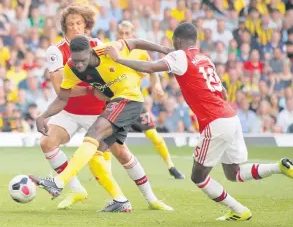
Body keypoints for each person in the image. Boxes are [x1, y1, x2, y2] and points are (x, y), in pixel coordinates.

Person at [105, 22, 293, 221]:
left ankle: (239, 210)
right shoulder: (205, 59)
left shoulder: (180, 55)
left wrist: (118, 59)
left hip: (215, 121)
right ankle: (279, 166)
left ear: (177, 40)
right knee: (234, 173)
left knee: (198, 177)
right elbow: (223, 92)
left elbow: (151, 67)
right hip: (230, 117)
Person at [30, 36, 174, 212]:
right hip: (116, 102)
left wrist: (165, 50)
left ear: (90, 52)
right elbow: (62, 98)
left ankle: (58, 182)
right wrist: (43, 116)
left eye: (82, 60)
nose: (79, 65)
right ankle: (127, 201)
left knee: (93, 134)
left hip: (130, 98)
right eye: (76, 61)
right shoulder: (71, 68)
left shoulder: (108, 49)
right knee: (97, 155)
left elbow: (135, 42)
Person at [42, 2, 131, 212]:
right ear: (64, 27)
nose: (74, 27)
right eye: (70, 24)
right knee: (47, 143)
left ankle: (150, 197)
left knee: (123, 154)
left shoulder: (98, 45)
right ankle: (76, 190)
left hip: (97, 112)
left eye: (78, 23)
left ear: (86, 25)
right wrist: (91, 91)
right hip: (70, 111)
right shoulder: (55, 51)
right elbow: (58, 89)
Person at [117, 21, 184, 179]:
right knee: (109, 143)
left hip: (134, 103)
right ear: (117, 34)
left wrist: (158, 85)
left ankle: (171, 166)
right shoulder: (112, 51)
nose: (124, 37)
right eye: (121, 33)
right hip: (115, 103)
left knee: (155, 137)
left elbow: (152, 70)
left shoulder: (140, 53)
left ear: (133, 35)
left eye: (127, 34)